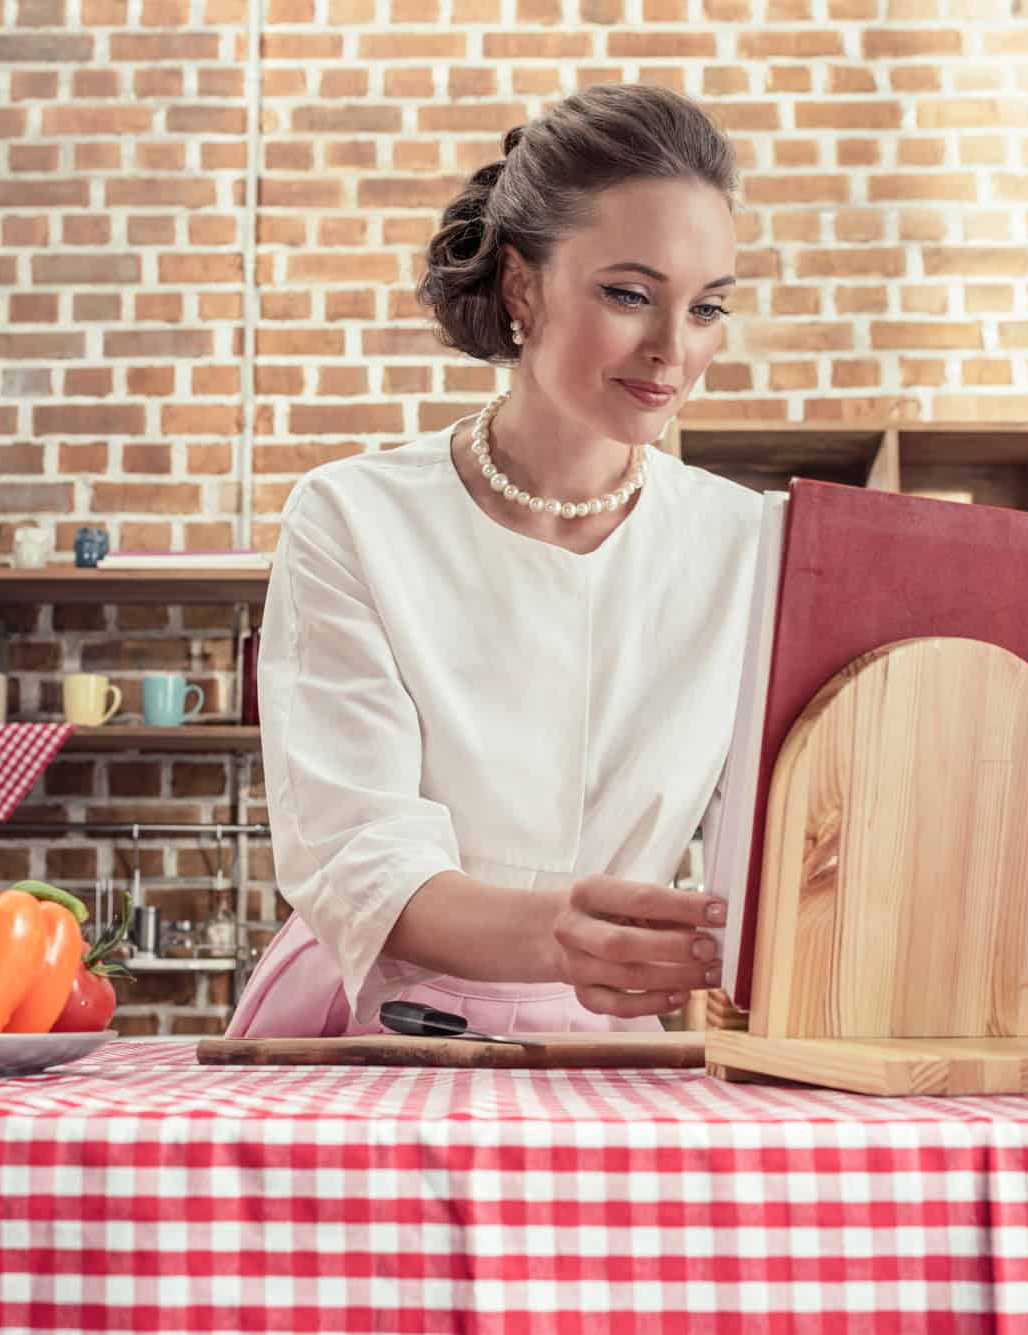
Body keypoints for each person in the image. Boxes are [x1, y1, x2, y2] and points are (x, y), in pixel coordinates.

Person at [226, 84, 764, 1039]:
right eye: (629, 294)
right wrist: (566, 936)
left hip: (624, 1050)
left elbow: (765, 854)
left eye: (709, 306)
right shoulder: (353, 518)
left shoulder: (747, 544)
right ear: (522, 285)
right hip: (377, 1031)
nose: (674, 351)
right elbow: (362, 857)